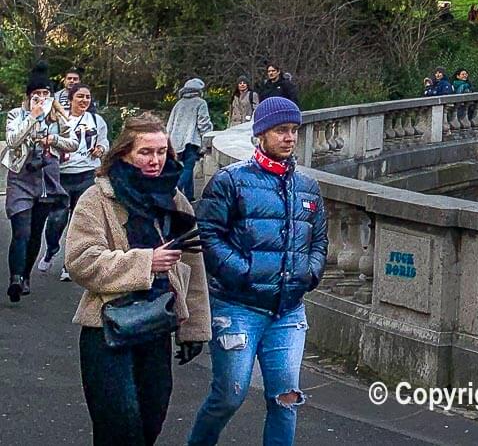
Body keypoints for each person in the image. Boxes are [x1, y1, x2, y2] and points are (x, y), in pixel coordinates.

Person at [188, 96, 327, 446]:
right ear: (261, 133)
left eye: (294, 130)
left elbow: (320, 240)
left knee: (285, 400)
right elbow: (207, 235)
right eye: (281, 130)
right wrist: (244, 271)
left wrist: (308, 274)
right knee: (228, 397)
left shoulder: (308, 188)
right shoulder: (230, 181)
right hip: (237, 308)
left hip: (288, 311)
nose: (290, 137)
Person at [65, 112, 210, 446]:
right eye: (146, 152)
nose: (155, 160)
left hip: (156, 325)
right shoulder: (97, 199)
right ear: (125, 153)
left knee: (150, 422)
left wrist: (194, 329)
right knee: (119, 428)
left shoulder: (175, 199)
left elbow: (194, 265)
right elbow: (80, 261)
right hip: (107, 329)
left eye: (161, 152)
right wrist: (146, 262)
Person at [3, 70, 78, 301]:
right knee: (21, 232)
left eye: (46, 93)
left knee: (36, 233)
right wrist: (32, 117)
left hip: (47, 178)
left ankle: (25, 276)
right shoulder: (17, 114)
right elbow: (13, 140)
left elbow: (73, 143)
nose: (42, 98)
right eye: (37, 94)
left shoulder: (58, 117)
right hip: (21, 176)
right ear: (28, 96)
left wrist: (52, 139)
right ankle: (15, 278)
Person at [42, 83, 109, 281]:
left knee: (78, 223)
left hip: (87, 175)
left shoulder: (96, 120)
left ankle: (68, 265)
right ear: (70, 100)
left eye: (87, 97)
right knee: (56, 219)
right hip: (62, 176)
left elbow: (104, 142)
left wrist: (101, 149)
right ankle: (51, 248)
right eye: (80, 97)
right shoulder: (60, 120)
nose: (84, 101)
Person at [166, 78, 213, 201]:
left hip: (175, 141)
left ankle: (189, 196)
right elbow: (203, 123)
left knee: (187, 168)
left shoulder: (179, 103)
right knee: (188, 168)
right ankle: (173, 192)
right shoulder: (200, 103)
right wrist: (207, 137)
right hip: (191, 140)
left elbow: (170, 123)